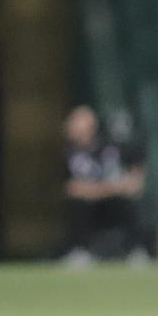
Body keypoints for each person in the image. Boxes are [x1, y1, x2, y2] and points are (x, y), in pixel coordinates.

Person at [61, 106, 147, 266]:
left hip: (113, 201)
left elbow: (133, 183)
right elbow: (73, 188)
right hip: (90, 203)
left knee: (129, 203)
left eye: (77, 122)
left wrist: (98, 189)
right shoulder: (67, 152)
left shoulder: (110, 147)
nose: (71, 126)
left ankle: (135, 250)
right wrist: (108, 188)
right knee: (78, 205)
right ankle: (81, 251)